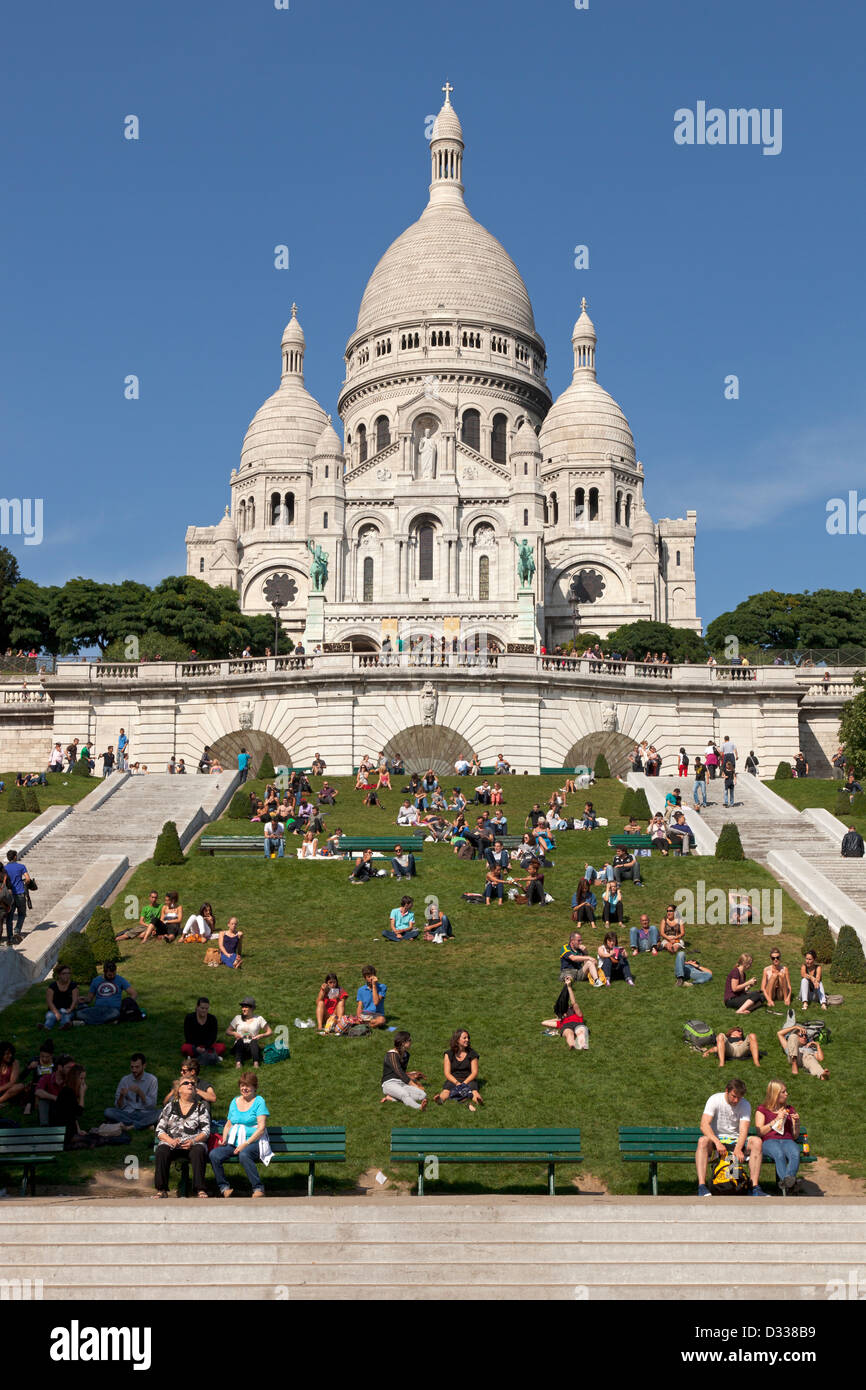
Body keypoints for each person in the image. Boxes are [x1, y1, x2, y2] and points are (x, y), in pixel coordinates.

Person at [695, 1079, 766, 1198]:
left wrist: (738, 1148)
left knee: (757, 1142)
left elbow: (744, 1129)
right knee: (702, 1141)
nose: (736, 1100)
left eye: (739, 1097)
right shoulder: (715, 1099)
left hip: (735, 1141)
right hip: (716, 1142)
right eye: (734, 1096)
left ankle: (754, 1187)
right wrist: (717, 1143)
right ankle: (701, 1186)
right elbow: (704, 1125)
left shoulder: (745, 1104)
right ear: (726, 1091)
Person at [209, 1073, 271, 1198]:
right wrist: (225, 1139)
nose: (244, 1088)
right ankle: (224, 1188)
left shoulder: (259, 1101)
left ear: (254, 1087)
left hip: (254, 1142)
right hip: (234, 1142)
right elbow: (228, 1124)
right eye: (242, 1085)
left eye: (248, 1086)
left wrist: (245, 1144)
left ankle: (258, 1188)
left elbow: (261, 1128)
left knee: (244, 1154)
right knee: (214, 1154)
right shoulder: (235, 1101)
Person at [153, 1077, 211, 1198]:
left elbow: (206, 1131)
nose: (190, 1085)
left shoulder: (201, 1107)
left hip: (193, 1144)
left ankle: (200, 1189)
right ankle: (161, 1189)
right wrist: (170, 1140)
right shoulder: (170, 1107)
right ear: (178, 1089)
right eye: (186, 1083)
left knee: (199, 1151)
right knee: (162, 1151)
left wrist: (193, 1141)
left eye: (192, 1084)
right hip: (172, 1143)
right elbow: (159, 1129)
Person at [755, 1080, 802, 1193]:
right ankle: (791, 1184)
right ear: (775, 1094)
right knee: (779, 1154)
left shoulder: (789, 1109)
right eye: (783, 1092)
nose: (787, 1094)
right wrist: (776, 1119)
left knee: (795, 1153)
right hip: (769, 1141)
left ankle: (786, 1183)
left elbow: (795, 1136)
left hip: (787, 1140)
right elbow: (760, 1132)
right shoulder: (762, 1109)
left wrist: (797, 1122)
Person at [103, 1053, 160, 1130]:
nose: (134, 1070)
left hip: (145, 1113)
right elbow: (118, 1106)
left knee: (162, 1112)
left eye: (137, 1067)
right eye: (132, 1067)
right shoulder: (125, 1080)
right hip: (128, 1113)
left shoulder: (152, 1080)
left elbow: (152, 1105)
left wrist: (140, 1092)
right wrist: (121, 1096)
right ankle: (145, 1124)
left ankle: (130, 1126)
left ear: (144, 1066)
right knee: (108, 1112)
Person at [435, 1028, 483, 1110]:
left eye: (468, 1038)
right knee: (446, 1091)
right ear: (457, 1040)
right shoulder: (449, 1054)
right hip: (454, 1079)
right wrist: (457, 1083)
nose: (467, 1040)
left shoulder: (472, 1053)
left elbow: (474, 1072)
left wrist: (464, 1083)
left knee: (474, 1091)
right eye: (464, 1038)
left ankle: (478, 1100)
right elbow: (447, 1073)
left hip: (468, 1079)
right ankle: (440, 1099)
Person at [77, 960, 136, 1025]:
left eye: (114, 974)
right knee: (79, 1013)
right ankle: (109, 1022)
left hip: (113, 1010)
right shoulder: (96, 980)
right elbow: (89, 999)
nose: (112, 976)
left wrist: (127, 1004)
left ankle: (86, 1022)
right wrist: (84, 999)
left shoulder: (120, 980)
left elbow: (133, 993)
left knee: (115, 1014)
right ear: (104, 972)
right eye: (110, 975)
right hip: (98, 1009)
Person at [380, 1032, 427, 1110]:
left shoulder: (406, 1055)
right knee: (404, 1094)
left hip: (401, 1083)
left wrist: (412, 1076)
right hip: (389, 1083)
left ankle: (392, 1098)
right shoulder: (392, 1055)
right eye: (409, 1040)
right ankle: (419, 1107)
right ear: (403, 1043)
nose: (411, 1041)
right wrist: (413, 1084)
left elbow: (403, 1072)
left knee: (422, 1095)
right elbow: (399, 1072)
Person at [542, 981, 589, 1050]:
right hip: (566, 1026)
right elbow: (544, 1022)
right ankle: (572, 1045)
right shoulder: (561, 1022)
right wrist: (558, 1019)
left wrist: (569, 987)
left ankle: (583, 1045)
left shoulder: (578, 1015)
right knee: (569, 1034)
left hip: (578, 1024)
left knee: (580, 1032)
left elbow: (574, 1002)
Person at [226, 998, 271, 1068]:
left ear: (252, 1008)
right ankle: (238, 1063)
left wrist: (261, 1035)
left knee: (253, 1041)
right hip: (239, 1047)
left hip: (252, 1048)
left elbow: (270, 1032)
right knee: (240, 1041)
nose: (243, 1009)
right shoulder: (237, 1018)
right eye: (242, 1007)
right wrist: (234, 1033)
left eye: (246, 1007)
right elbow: (227, 1031)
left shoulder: (259, 1018)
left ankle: (256, 1063)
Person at [182, 997, 226, 1064]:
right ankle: (210, 1056)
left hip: (207, 1046)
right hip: (194, 1045)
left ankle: (194, 1057)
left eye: (206, 1009)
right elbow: (188, 1036)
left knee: (221, 1047)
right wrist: (197, 1047)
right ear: (197, 1007)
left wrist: (205, 1047)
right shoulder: (189, 1018)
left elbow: (213, 1037)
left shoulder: (212, 1019)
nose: (204, 1010)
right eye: (202, 1008)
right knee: (185, 1048)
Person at [4, 850, 32, 944]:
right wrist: (24, 883)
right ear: (15, 857)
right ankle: (17, 930)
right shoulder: (21, 867)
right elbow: (28, 879)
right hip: (20, 893)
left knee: (9, 917)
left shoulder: (5, 868)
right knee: (22, 914)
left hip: (10, 896)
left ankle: (10, 938)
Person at [44, 963, 79, 1029]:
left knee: (66, 1017)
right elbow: (49, 1002)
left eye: (68, 973)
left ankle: (64, 1026)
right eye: (64, 973)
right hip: (54, 1009)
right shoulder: (52, 986)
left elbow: (75, 1000)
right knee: (50, 1017)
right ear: (59, 975)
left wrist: (70, 1009)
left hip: (67, 1009)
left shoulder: (73, 985)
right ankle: (46, 1027)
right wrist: (56, 1013)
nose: (67, 975)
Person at [0, 1041, 25, 1110]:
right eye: (7, 1054)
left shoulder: (15, 1063)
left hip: (8, 1090)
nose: (10, 1055)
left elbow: (12, 1082)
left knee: (20, 1086)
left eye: (11, 1053)